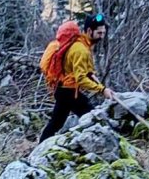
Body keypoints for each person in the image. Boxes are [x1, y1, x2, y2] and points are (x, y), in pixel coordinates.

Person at [37, 14, 114, 143]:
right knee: (93, 118)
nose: (102, 36)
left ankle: (39, 148)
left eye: (103, 33)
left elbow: (79, 69)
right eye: (99, 33)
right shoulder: (81, 49)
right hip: (69, 92)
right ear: (89, 31)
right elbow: (81, 79)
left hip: (64, 90)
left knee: (55, 123)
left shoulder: (81, 44)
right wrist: (102, 89)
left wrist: (90, 74)